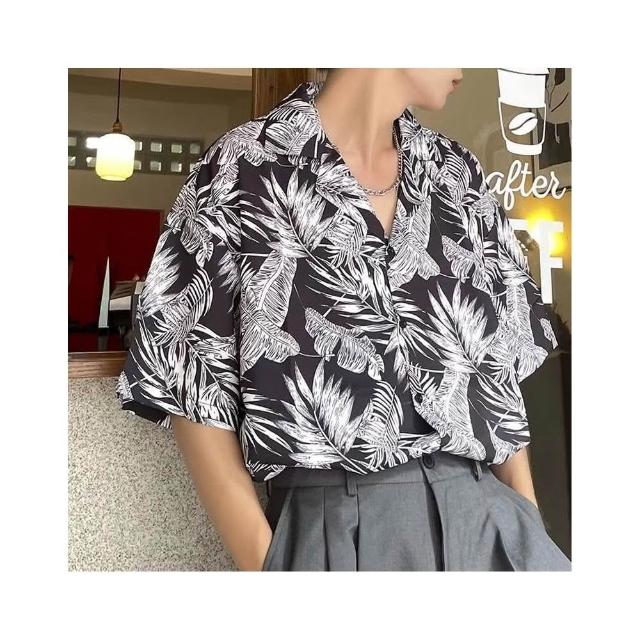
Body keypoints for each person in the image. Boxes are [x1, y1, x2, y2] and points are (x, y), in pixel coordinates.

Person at [116, 68, 571, 571]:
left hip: (490, 518)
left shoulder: (456, 173)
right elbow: (186, 378)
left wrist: (528, 530)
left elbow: (499, 378)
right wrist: (270, 565)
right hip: (339, 530)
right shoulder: (242, 169)